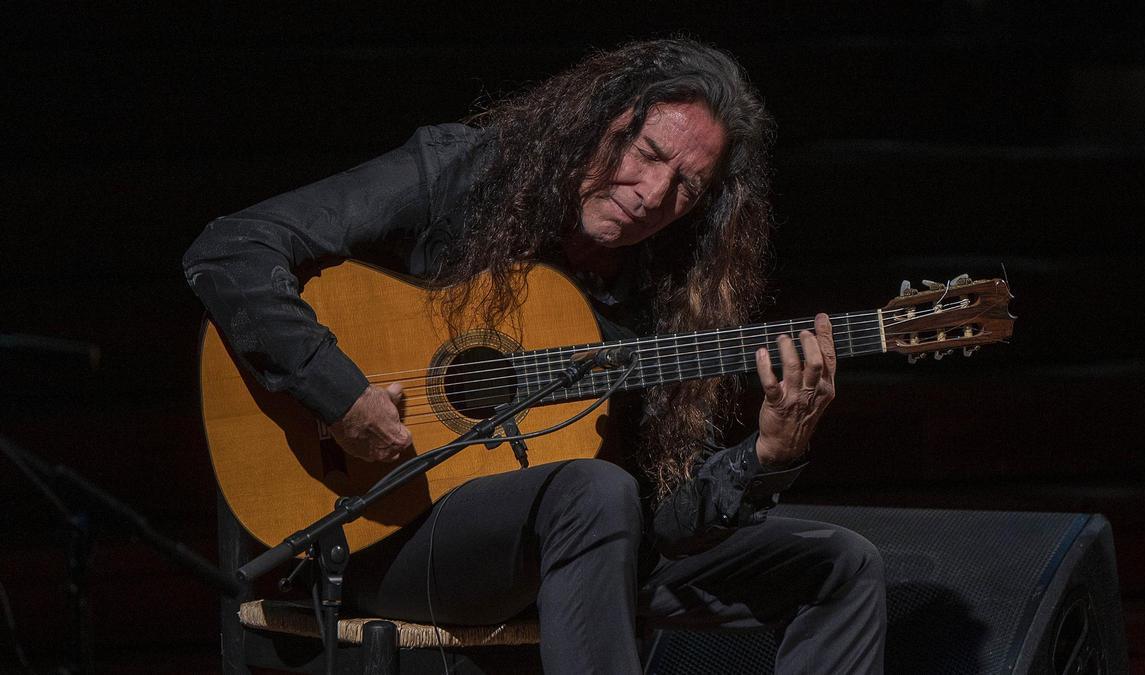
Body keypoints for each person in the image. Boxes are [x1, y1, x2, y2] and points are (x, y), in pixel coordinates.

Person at [184, 38, 886, 673]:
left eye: (686, 187)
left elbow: (667, 520)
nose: (652, 195)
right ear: (601, 118)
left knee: (841, 564)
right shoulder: (468, 171)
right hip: (385, 532)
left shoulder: (669, 290)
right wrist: (340, 396)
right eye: (647, 154)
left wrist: (765, 457)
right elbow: (231, 250)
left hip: (571, 541)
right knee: (596, 493)